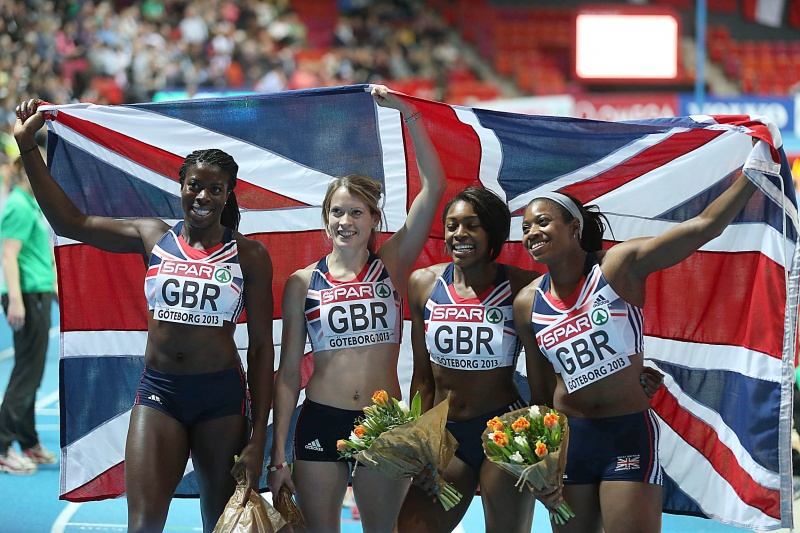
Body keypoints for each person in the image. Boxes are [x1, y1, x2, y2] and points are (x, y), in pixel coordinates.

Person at [14, 99, 275, 533]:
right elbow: (70, 222)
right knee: (143, 525)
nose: (203, 197)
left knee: (222, 524)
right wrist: (27, 147)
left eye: (215, 189)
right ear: (181, 186)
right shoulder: (152, 236)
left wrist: (259, 434)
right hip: (160, 394)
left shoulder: (249, 255)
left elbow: (263, 348)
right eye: (195, 186)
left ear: (229, 193)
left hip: (223, 401)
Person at [397, 187, 662, 533]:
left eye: (472, 225)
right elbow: (422, 378)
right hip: (446, 434)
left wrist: (631, 374)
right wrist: (420, 445)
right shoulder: (423, 283)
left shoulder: (523, 289)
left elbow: (572, 340)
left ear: (492, 233)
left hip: (506, 434)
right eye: (452, 226)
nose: (459, 234)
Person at [513, 164, 759, 532]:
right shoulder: (527, 303)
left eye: (543, 222)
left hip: (626, 434)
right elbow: (540, 394)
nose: (532, 232)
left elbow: (703, 226)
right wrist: (540, 461)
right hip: (570, 441)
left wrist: (753, 176)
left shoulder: (617, 268)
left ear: (574, 226)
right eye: (526, 228)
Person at [267, 85, 446, 533]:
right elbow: (288, 375)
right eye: (337, 212)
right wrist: (277, 454)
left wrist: (408, 113)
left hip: (383, 421)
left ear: (373, 219)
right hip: (321, 417)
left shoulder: (393, 265)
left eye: (356, 213)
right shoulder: (302, 282)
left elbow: (435, 187)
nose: (345, 221)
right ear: (325, 219)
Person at [0, 155, 58, 475]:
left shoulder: (30, 204)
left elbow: (39, 254)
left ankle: (28, 440)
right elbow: (9, 255)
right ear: (22, 170)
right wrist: (16, 301)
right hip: (26, 296)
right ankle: (1, 445)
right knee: (26, 374)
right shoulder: (18, 207)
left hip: (38, 293)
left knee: (32, 374)